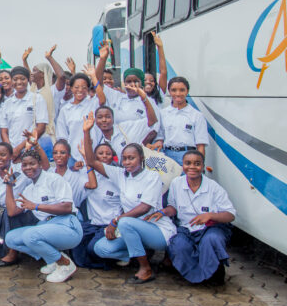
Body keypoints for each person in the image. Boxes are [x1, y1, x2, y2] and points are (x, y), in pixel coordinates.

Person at [84, 113, 176, 283]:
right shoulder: (120, 174)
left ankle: (145, 268)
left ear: (141, 158)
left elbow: (144, 208)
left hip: (156, 231)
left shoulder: (152, 177)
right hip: (130, 230)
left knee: (125, 222)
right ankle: (139, 254)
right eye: (125, 159)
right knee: (100, 248)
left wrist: (116, 220)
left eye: (131, 158)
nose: (127, 162)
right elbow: (91, 161)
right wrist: (86, 132)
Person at [150, 150, 236, 284]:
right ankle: (195, 274)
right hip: (186, 228)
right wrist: (163, 212)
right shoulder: (176, 183)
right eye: (188, 163)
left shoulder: (214, 187)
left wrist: (210, 215)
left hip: (210, 228)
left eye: (197, 164)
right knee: (178, 244)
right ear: (183, 165)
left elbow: (230, 215)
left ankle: (214, 273)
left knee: (211, 239)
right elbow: (173, 207)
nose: (192, 167)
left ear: (202, 166)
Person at [3, 152, 82, 283]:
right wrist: (9, 186)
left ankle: (65, 264)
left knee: (30, 235)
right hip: (45, 227)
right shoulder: (29, 189)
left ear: (40, 164)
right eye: (24, 165)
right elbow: (12, 212)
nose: (28, 167)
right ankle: (52, 260)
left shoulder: (54, 179)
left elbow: (67, 207)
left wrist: (36, 206)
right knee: (11, 239)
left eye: (32, 163)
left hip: (68, 226)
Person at [0, 142, 34, 266]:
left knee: (8, 214)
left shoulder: (21, 173)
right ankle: (8, 249)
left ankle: (12, 253)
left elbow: (42, 168)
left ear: (11, 156)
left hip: (17, 216)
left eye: (3, 155)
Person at [72, 140, 122, 269]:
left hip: (111, 224)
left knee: (92, 248)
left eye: (108, 153)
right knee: (77, 249)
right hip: (94, 223)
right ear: (95, 157)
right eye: (100, 153)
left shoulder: (119, 176)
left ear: (113, 157)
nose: (104, 156)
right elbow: (92, 184)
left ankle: (123, 256)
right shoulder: (87, 174)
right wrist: (85, 160)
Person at [151, 77, 209, 166]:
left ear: (187, 91)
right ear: (169, 91)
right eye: (174, 90)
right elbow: (160, 138)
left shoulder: (196, 115)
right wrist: (159, 142)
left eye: (182, 90)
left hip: (188, 156)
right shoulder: (162, 114)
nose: (178, 94)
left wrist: (199, 165)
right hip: (167, 155)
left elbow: (200, 145)